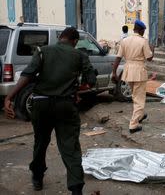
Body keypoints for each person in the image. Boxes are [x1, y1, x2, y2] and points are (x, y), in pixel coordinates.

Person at [3, 27, 97, 194]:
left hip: (41, 104)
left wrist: (9, 97)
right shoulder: (80, 55)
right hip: (66, 106)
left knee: (40, 143)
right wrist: (74, 90)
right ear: (75, 41)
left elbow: (27, 75)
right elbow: (91, 81)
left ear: (60, 38)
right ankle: (76, 189)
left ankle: (37, 178)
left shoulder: (42, 51)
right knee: (70, 147)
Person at [112, 20, 153, 134]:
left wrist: (114, 72)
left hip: (128, 71)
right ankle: (133, 125)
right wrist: (152, 49)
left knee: (135, 96)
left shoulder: (125, 41)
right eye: (143, 30)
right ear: (140, 30)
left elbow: (118, 57)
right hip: (139, 71)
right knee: (139, 98)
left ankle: (139, 116)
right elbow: (149, 58)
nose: (144, 32)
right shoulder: (143, 41)